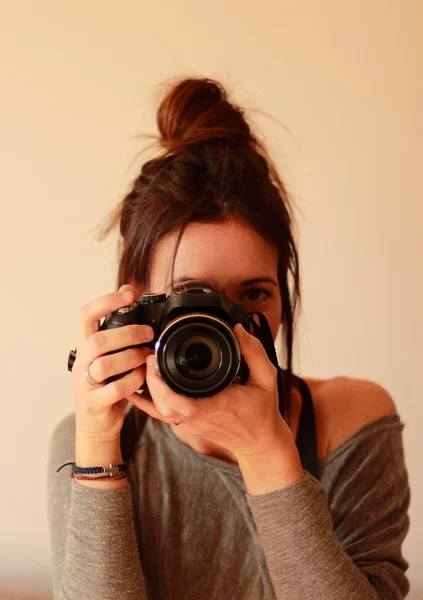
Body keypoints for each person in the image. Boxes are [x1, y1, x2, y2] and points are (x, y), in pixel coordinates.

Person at [48, 77, 410, 600]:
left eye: (254, 294)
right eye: (191, 295)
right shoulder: (100, 437)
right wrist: (99, 445)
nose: (227, 327)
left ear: (284, 296)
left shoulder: (349, 422)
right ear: (134, 303)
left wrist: (265, 450)